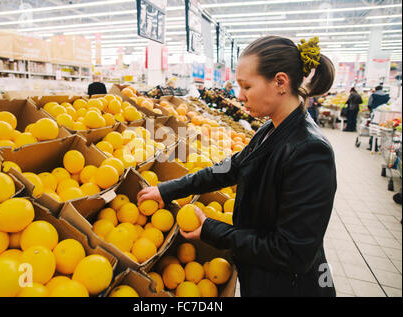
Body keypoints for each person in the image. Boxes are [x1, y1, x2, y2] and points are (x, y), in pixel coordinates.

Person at [138, 36, 337, 297]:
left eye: (247, 86)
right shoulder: (272, 127)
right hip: (261, 276)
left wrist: (211, 229)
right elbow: (230, 169)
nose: (239, 96)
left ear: (280, 82)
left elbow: (293, 252)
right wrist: (168, 190)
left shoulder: (311, 152)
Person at [367, 85, 390, 151]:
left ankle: (372, 146)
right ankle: (381, 147)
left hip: (374, 115)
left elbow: (369, 104)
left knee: (374, 130)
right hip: (384, 116)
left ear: (376, 89)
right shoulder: (387, 96)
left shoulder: (373, 95)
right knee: (381, 131)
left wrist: (371, 110)